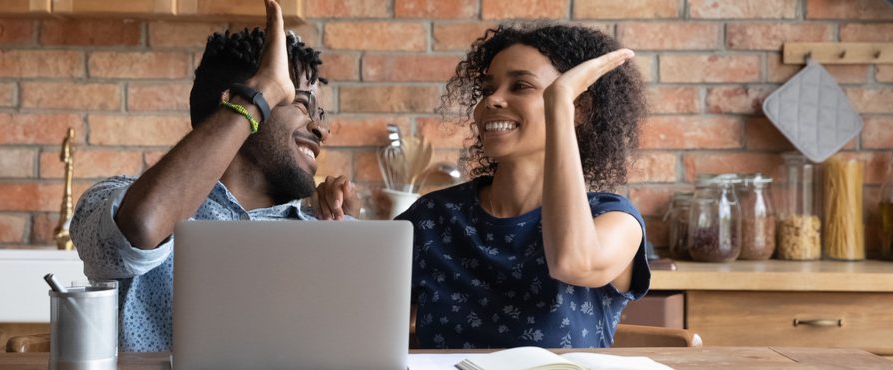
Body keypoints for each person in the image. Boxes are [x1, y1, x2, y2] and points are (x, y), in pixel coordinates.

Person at [70, 0, 357, 352]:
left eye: (320, 113)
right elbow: (141, 226)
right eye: (299, 104)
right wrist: (260, 93)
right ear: (235, 101)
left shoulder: (326, 226)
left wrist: (348, 233)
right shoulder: (116, 200)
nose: (322, 130)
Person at [395, 23, 651, 349]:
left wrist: (559, 101)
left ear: (579, 109)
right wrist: (335, 223)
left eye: (520, 86)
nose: (493, 101)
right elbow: (357, 303)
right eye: (488, 89)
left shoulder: (615, 220)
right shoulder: (435, 216)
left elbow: (573, 262)